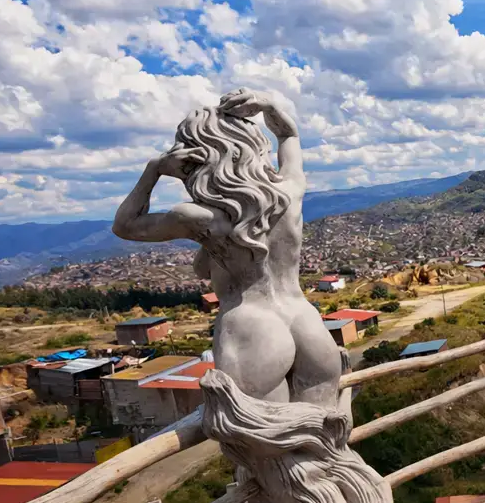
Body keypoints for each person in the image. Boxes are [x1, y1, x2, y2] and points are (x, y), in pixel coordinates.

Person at [113, 89, 343, 409]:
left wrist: (153, 168)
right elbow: (289, 135)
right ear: (253, 145)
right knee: (326, 444)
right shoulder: (290, 192)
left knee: (265, 456)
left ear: (196, 159)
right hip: (307, 322)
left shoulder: (197, 218)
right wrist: (269, 106)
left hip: (253, 331)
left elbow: (124, 226)